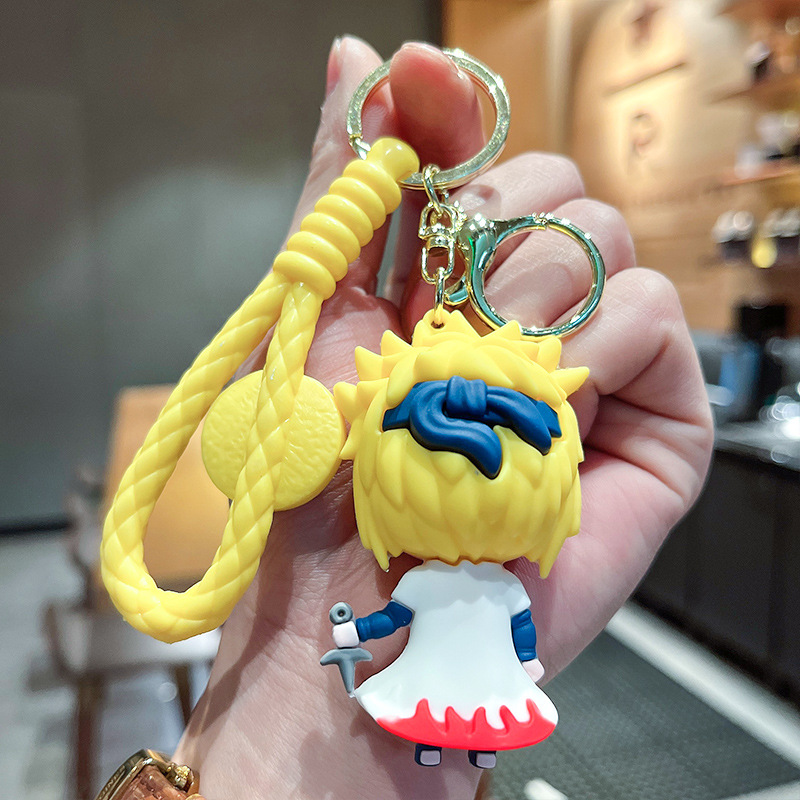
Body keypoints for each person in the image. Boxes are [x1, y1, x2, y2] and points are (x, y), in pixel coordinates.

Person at [173, 38, 713, 800]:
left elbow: (418, 624)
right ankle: (435, 751)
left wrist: (355, 649)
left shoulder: (477, 585)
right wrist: (296, 670)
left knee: (457, 716)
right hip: (435, 669)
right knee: (447, 714)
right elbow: (403, 622)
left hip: (452, 671)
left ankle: (438, 753)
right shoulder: (476, 584)